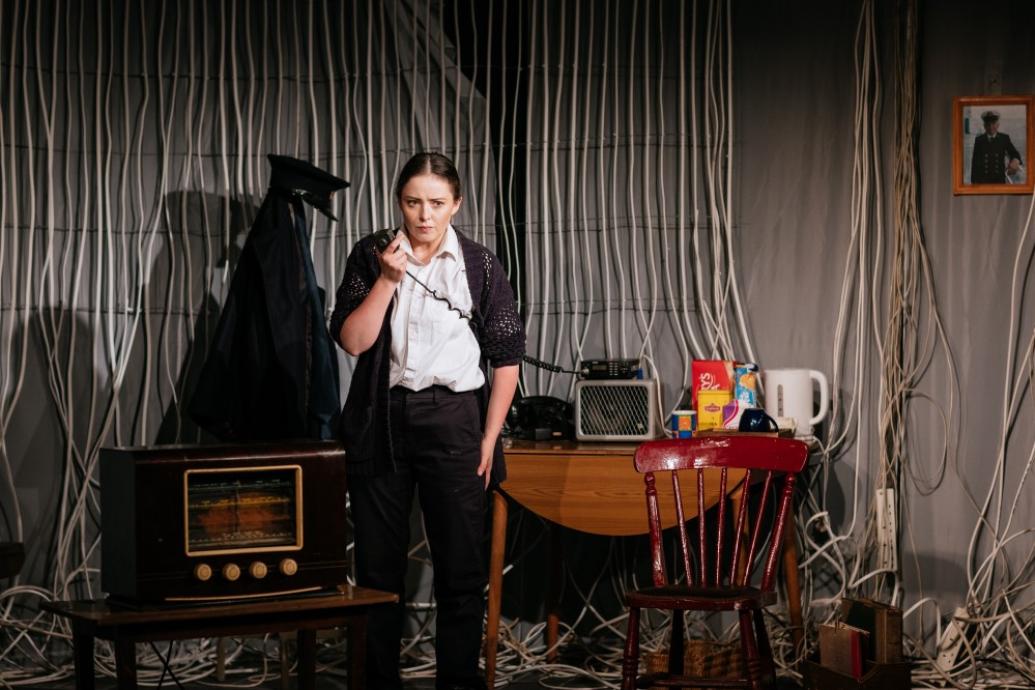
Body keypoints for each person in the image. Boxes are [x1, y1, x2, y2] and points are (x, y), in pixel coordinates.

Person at [329, 152, 524, 690]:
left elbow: (506, 356)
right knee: (377, 571)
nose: (424, 215)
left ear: (456, 205)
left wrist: (489, 437)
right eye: (413, 202)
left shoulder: (480, 266)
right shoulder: (371, 255)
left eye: (437, 203)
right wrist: (389, 280)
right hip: (382, 417)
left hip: (455, 420)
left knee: (461, 571)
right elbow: (352, 341)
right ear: (400, 202)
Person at [971, 110, 1023, 184]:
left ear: (998, 125)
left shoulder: (1004, 138)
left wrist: (1015, 160)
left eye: (993, 124)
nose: (991, 127)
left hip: (999, 180)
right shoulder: (979, 140)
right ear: (984, 126)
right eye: (988, 124)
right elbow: (975, 163)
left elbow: (1014, 153)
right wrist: (973, 183)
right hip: (983, 181)